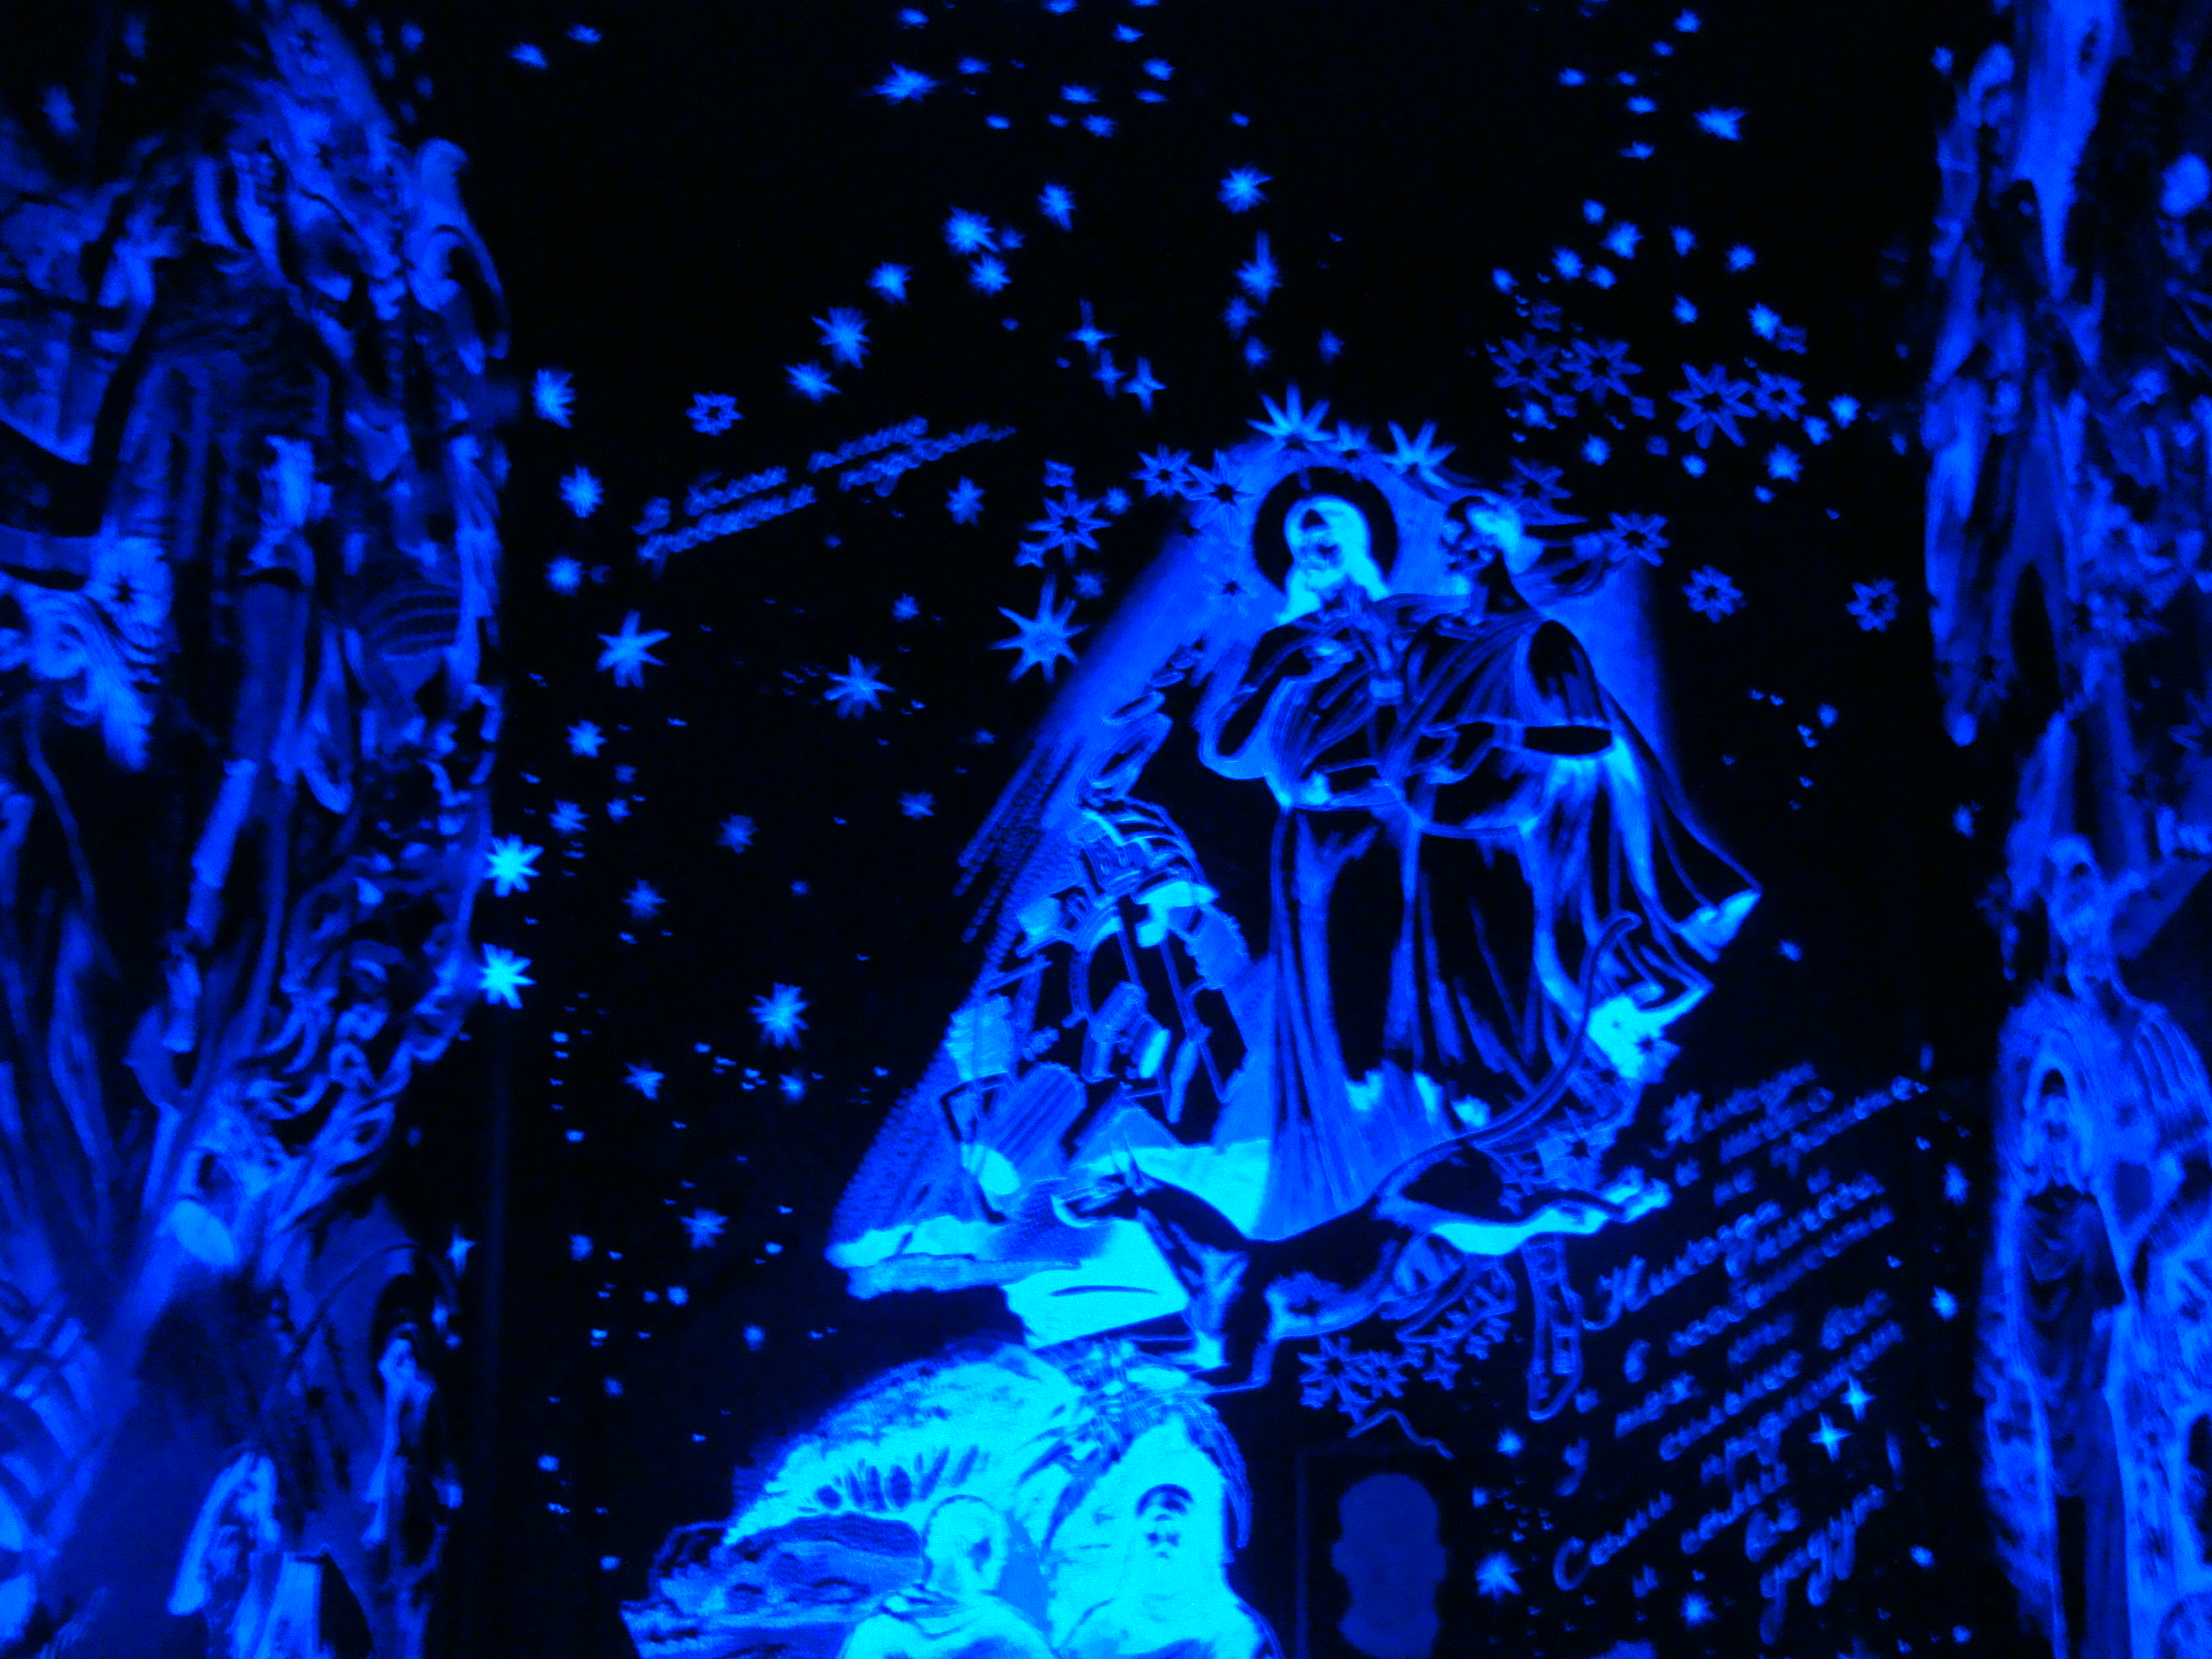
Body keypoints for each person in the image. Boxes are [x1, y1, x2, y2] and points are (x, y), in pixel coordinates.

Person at [1062, 1484, 1279, 1659]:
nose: (1162, 1548)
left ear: (1198, 1551)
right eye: (1152, 1538)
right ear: (1133, 1550)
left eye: (1174, 1538)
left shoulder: (1235, 1632)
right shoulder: (1100, 1628)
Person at [837, 1497, 1054, 1659]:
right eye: (996, 1548)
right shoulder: (1007, 1631)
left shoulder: (878, 1630)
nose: (1001, 1561)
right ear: (962, 1547)